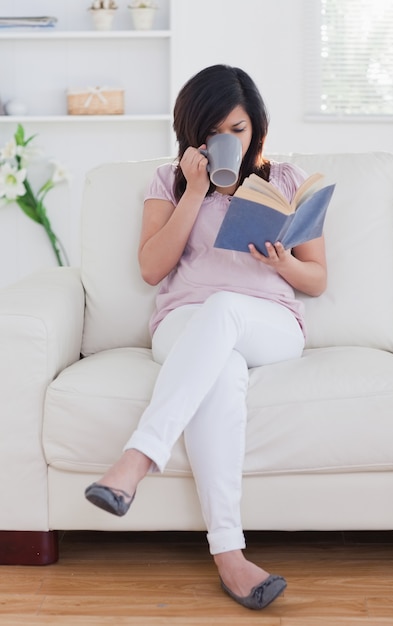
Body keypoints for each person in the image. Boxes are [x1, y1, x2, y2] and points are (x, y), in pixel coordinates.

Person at [85, 64, 327, 610]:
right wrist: (194, 191)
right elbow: (151, 269)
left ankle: (137, 460)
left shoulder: (286, 181)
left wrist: (285, 262)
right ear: (193, 134)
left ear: (256, 129)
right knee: (219, 371)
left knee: (224, 310)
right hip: (184, 324)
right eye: (215, 133)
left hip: (269, 323)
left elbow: (318, 278)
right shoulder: (167, 182)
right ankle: (230, 557)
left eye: (238, 131)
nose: (229, 143)